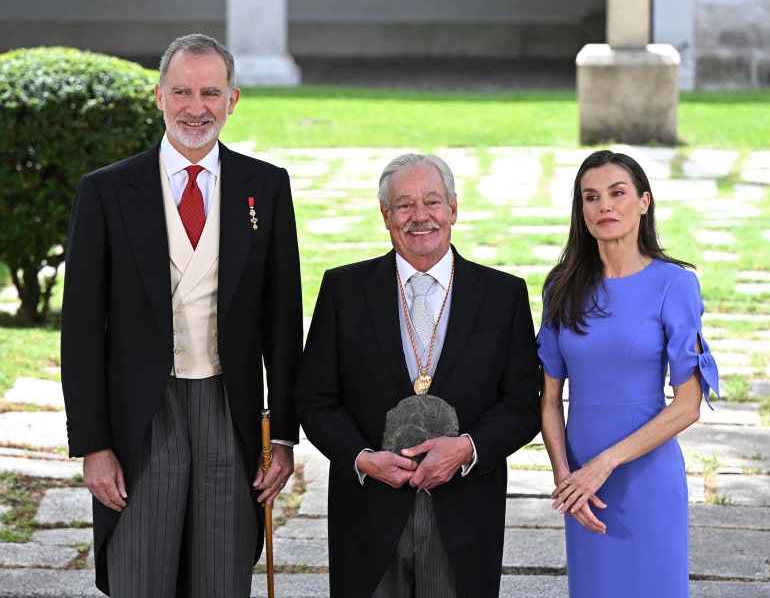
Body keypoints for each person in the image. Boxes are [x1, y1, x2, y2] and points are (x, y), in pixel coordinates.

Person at [60, 34, 302, 596]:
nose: (197, 108)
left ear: (233, 99)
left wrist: (284, 437)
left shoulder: (265, 188)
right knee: (140, 574)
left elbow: (283, 322)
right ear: (158, 96)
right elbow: (80, 333)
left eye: (211, 93)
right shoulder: (106, 192)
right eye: (183, 92)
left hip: (229, 408)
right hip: (142, 416)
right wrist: (94, 446)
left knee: (222, 577)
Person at [295, 153, 540, 597]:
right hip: (368, 511)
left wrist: (466, 449)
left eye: (432, 201)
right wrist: (362, 458)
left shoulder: (503, 295)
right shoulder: (343, 290)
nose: (420, 216)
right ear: (386, 216)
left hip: (464, 513)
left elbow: (522, 405)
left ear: (454, 209)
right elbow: (315, 399)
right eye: (405, 205)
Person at [537, 150, 719, 597]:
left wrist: (604, 463)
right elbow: (547, 400)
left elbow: (688, 405)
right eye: (591, 197)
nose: (605, 207)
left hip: (646, 477)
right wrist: (566, 478)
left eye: (617, 194)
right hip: (583, 485)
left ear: (644, 202)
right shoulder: (561, 286)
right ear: (580, 211)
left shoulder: (675, 284)